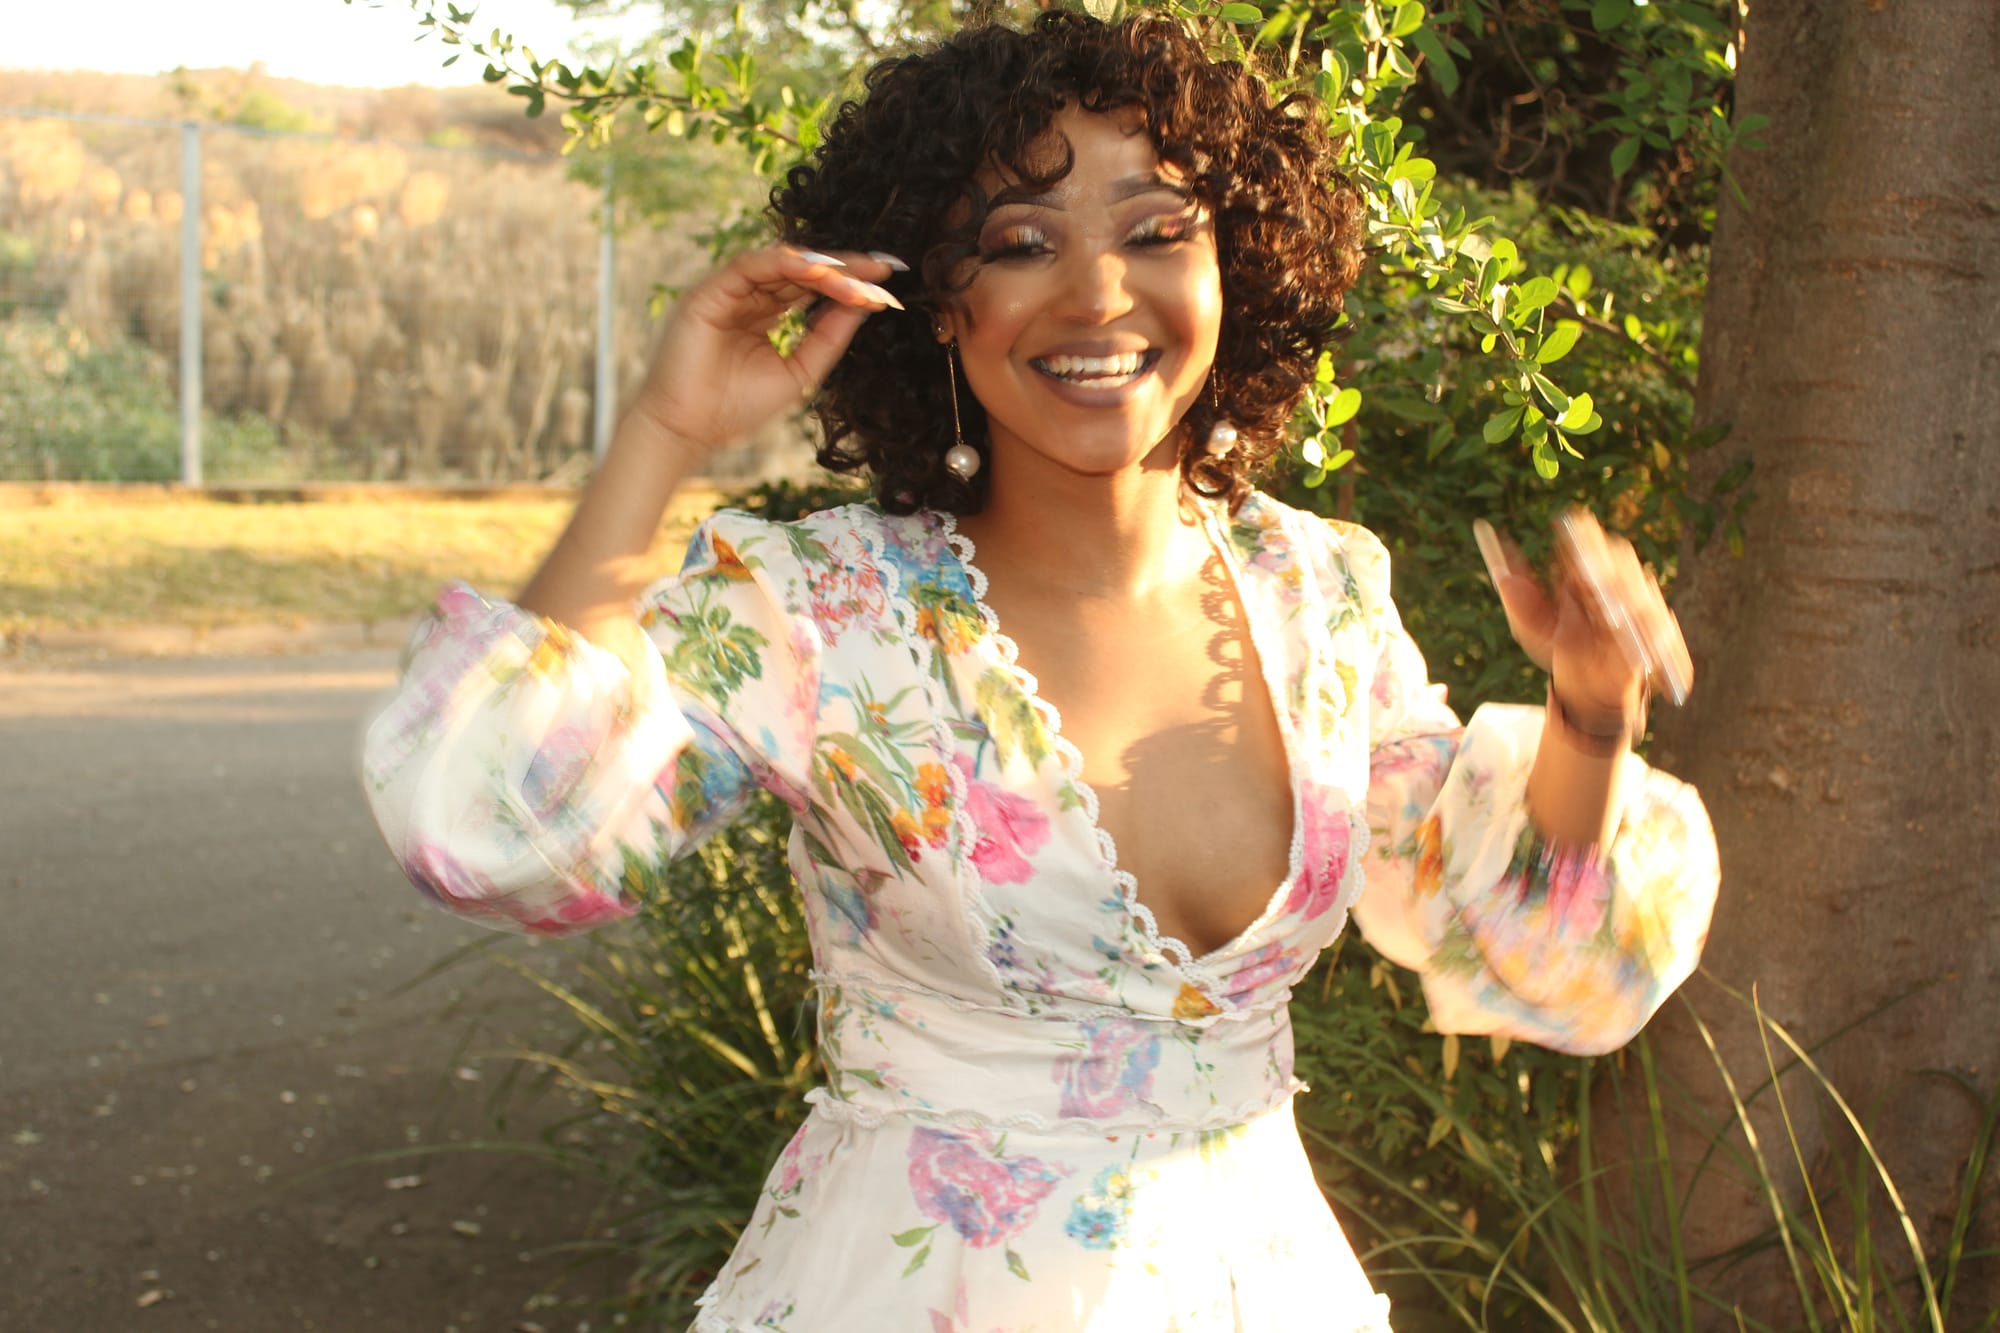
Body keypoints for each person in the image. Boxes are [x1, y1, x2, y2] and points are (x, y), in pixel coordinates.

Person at [359, 12, 1719, 1330]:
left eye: (1157, 230)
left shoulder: (1322, 591)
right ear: (937, 309)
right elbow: (496, 828)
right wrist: (666, 428)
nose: (1100, 293)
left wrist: (1591, 713)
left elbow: (1527, 939)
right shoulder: (822, 610)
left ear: (1235, 266)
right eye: (1020, 242)